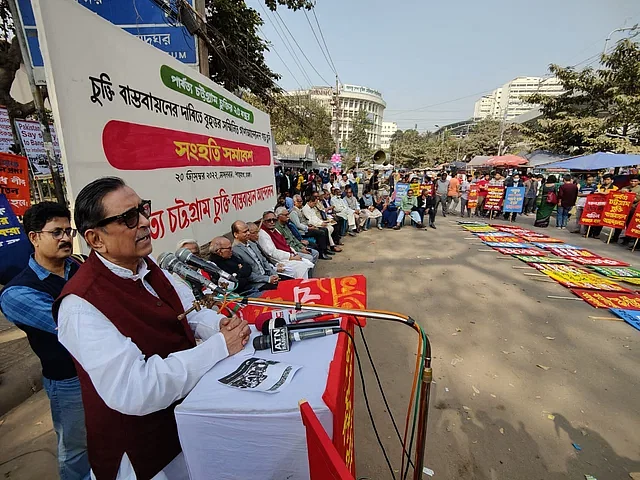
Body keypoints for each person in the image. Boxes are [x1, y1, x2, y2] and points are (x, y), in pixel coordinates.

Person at [55, 177, 250, 480]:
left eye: (143, 209)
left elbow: (188, 313)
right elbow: (136, 389)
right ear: (95, 239)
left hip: (184, 422)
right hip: (140, 452)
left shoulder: (150, 267)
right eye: (129, 218)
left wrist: (221, 326)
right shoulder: (80, 306)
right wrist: (219, 346)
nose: (145, 222)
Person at [0, 202, 90, 480]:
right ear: (34, 237)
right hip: (68, 381)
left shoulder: (77, 265)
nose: (65, 237)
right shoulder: (17, 293)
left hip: (99, 368)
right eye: (56, 232)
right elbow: (76, 327)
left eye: (68, 230)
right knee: (76, 450)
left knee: (107, 435)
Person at [231, 221, 287, 291]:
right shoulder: (235, 251)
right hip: (258, 283)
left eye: (248, 230)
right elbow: (247, 274)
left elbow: (264, 261)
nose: (248, 233)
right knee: (284, 290)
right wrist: (268, 279)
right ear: (236, 234)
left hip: (268, 275)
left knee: (291, 282)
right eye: (245, 232)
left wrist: (274, 274)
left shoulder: (252, 244)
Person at [258, 211, 313, 279]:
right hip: (279, 260)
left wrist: (294, 253)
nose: (272, 222)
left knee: (307, 263)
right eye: (269, 220)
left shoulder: (275, 230)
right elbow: (272, 253)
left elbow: (286, 244)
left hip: (288, 255)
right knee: (302, 266)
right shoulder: (263, 234)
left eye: (274, 220)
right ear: (264, 221)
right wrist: (291, 257)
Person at [612, 175, 640, 244]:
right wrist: (621, 191)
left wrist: (628, 194)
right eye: (631, 181)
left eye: (635, 181)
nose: (633, 182)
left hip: (633, 209)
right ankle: (615, 238)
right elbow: (617, 194)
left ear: (639, 182)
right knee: (619, 223)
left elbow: (636, 199)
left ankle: (627, 240)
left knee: (629, 224)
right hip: (623, 208)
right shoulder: (625, 187)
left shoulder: (639, 189)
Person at [589, 173, 619, 239]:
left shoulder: (615, 188)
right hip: (597, 206)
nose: (606, 181)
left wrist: (601, 193)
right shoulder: (599, 186)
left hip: (607, 207)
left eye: (608, 179)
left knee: (601, 221)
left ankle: (596, 234)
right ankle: (589, 233)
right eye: (605, 179)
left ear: (612, 180)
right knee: (593, 219)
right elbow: (592, 193)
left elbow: (613, 196)